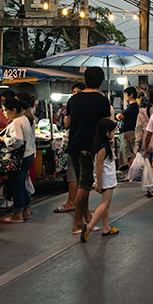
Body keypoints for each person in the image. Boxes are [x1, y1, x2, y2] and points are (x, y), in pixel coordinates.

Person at [66, 67, 113, 234]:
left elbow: (67, 123)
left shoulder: (73, 100)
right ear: (101, 81)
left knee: (81, 184)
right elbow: (106, 125)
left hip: (73, 145)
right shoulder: (102, 101)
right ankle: (77, 224)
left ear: (85, 80)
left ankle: (86, 216)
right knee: (85, 185)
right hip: (90, 147)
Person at [0, 97, 36, 223]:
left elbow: (16, 141)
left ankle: (18, 214)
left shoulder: (16, 123)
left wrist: (1, 139)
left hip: (19, 158)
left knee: (16, 186)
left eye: (6, 111)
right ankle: (26, 211)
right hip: (28, 155)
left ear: (14, 110)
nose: (4, 113)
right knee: (22, 184)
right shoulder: (24, 119)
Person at [80, 118, 120, 241]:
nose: (113, 133)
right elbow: (99, 165)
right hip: (106, 179)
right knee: (104, 204)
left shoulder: (101, 145)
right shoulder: (102, 148)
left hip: (106, 178)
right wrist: (99, 183)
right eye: (112, 131)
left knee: (106, 204)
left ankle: (106, 227)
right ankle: (89, 227)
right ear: (106, 133)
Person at [52, 84, 85, 213]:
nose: (74, 94)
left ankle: (72, 203)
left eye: (77, 91)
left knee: (73, 176)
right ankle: (81, 205)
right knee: (82, 176)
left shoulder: (72, 103)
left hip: (76, 143)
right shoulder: (92, 102)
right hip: (87, 144)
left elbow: (67, 123)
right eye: (73, 91)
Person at [116, 87, 139, 169]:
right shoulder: (130, 106)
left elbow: (121, 116)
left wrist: (118, 115)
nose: (124, 97)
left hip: (128, 132)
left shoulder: (132, 106)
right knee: (127, 154)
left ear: (131, 95)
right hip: (127, 131)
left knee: (129, 154)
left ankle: (132, 172)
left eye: (125, 95)